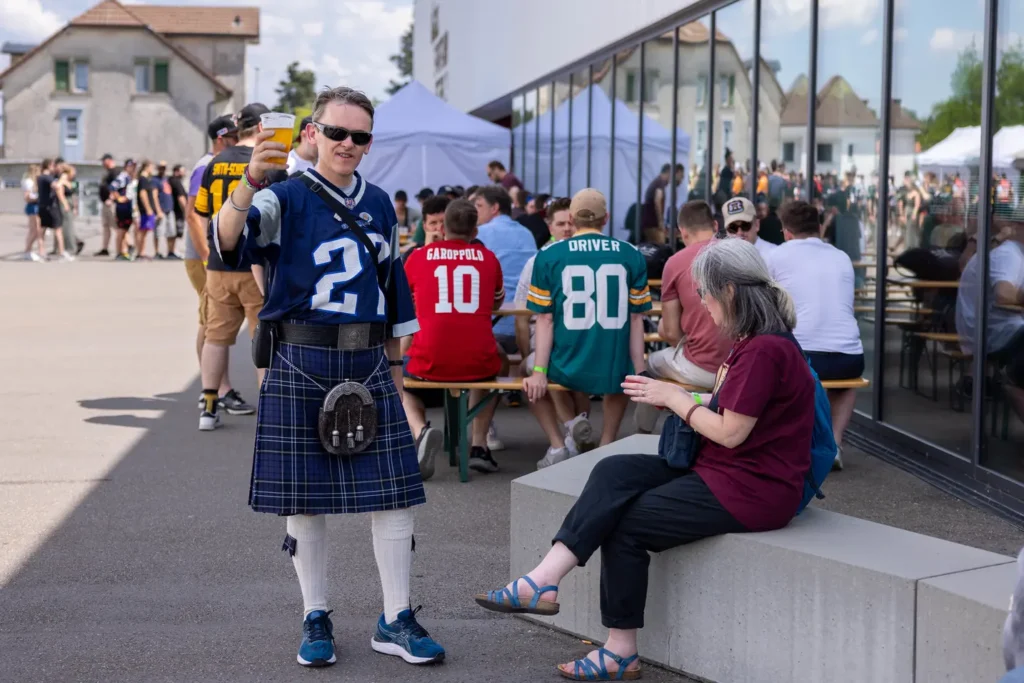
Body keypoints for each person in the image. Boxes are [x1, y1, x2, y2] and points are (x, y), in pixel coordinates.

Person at [474, 237, 814, 680]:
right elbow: (736, 406)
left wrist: (675, 397)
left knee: (627, 523)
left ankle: (620, 651)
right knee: (613, 469)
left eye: (705, 294)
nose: (704, 306)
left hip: (752, 488)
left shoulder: (764, 349)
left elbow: (731, 432)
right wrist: (680, 395)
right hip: (727, 470)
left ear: (729, 291)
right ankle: (542, 579)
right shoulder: (760, 342)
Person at [212, 85, 445, 668]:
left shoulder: (382, 204)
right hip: (299, 356)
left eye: (359, 136)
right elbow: (228, 241)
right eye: (336, 132)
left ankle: (396, 618)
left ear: (368, 143)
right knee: (305, 498)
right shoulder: (282, 196)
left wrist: (395, 369)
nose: (346, 143)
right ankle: (315, 613)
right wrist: (247, 182)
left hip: (367, 358)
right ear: (311, 132)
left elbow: (393, 290)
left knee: (394, 495)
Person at [523, 188, 650, 459]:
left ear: (571, 218)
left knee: (533, 372)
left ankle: (561, 441)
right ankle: (606, 444)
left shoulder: (548, 255)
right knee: (623, 374)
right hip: (612, 361)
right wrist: (639, 369)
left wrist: (540, 370)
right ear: (606, 218)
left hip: (566, 362)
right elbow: (636, 317)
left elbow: (544, 318)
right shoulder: (630, 253)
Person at [402, 198, 507, 477]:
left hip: (429, 360)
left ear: (442, 227)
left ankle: (421, 430)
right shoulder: (488, 258)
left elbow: (401, 300)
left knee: (398, 376)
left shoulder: (419, 257)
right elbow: (497, 302)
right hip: (478, 362)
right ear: (475, 232)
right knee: (500, 362)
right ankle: (479, 443)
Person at [193, 104, 281, 430]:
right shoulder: (266, 165)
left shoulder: (215, 162)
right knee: (263, 337)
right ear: (261, 128)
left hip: (218, 263)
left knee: (216, 336)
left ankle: (208, 407)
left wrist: (209, 251)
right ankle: (270, 410)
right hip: (254, 264)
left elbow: (202, 212)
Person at [767, 200, 864, 469]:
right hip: (849, 355)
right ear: (820, 228)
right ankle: (833, 443)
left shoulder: (776, 256)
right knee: (844, 384)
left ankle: (792, 445)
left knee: (775, 366)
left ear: (786, 231)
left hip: (802, 354)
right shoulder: (841, 256)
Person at [634, 201, 731, 434]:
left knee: (650, 365)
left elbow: (671, 331)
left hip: (702, 367)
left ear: (681, 232)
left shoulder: (675, 263)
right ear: (716, 225)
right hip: (741, 365)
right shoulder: (738, 254)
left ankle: (642, 432)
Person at [514, 196, 595, 465]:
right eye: (561, 224)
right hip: (573, 348)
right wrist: (528, 353)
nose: (567, 229)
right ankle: (574, 430)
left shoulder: (540, 260)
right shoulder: (539, 261)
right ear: (549, 226)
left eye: (571, 223)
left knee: (540, 373)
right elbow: (521, 317)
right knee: (552, 370)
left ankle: (561, 444)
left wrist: (529, 357)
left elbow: (522, 316)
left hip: (572, 347)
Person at [185, 115, 239, 412]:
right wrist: (207, 257)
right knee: (211, 321)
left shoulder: (220, 163)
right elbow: (193, 214)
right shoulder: (206, 165)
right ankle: (216, 389)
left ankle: (221, 386)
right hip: (203, 257)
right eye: (233, 135)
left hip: (212, 256)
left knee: (219, 321)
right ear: (222, 138)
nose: (238, 139)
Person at [955, 219, 1024, 424]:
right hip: (997, 334)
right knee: (1014, 381)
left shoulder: (1012, 253)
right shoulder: (1009, 255)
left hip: (993, 331)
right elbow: (1004, 295)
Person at [474, 186, 536, 356]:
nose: (475, 211)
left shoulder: (480, 234)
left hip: (492, 325)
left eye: (479, 206)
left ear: (494, 208)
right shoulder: (527, 234)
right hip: (526, 324)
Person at [37, 159, 73, 261]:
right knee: (58, 230)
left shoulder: (39, 177)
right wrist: (62, 180)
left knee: (42, 230)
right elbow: (57, 186)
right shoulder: (47, 177)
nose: (54, 167)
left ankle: (41, 252)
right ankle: (61, 253)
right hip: (51, 207)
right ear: (48, 166)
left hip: (42, 206)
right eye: (53, 165)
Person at [640, 163, 684, 237]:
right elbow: (658, 200)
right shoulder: (660, 183)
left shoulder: (657, 182)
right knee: (660, 243)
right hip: (652, 223)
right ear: (668, 173)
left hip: (649, 222)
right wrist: (660, 222)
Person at [109, 160, 137, 260]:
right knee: (121, 230)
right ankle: (119, 252)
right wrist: (119, 198)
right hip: (122, 207)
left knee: (125, 230)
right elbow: (112, 187)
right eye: (131, 166)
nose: (133, 168)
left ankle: (124, 250)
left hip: (129, 206)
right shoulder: (123, 177)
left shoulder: (130, 178)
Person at [133, 160, 160, 260]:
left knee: (144, 232)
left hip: (146, 210)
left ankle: (141, 252)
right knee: (142, 231)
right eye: (151, 167)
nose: (152, 169)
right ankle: (140, 253)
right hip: (144, 210)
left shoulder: (145, 179)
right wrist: (148, 208)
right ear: (146, 167)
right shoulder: (143, 179)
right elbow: (143, 194)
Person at [96, 153, 119, 256]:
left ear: (109, 160)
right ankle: (105, 248)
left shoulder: (115, 173)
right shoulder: (108, 173)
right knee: (106, 226)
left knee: (117, 226)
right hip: (105, 203)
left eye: (104, 161)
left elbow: (117, 187)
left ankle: (128, 245)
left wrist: (112, 198)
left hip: (111, 203)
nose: (102, 163)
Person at [155, 162, 178, 258]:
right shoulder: (155, 180)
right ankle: (157, 252)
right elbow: (154, 196)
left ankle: (170, 252)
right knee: (159, 232)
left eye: (164, 168)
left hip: (169, 209)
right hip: (161, 209)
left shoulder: (167, 180)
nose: (162, 170)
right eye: (161, 168)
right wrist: (158, 210)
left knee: (172, 232)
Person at [21, 164, 43, 262]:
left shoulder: (34, 182)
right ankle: (28, 251)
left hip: (35, 206)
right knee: (35, 230)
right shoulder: (29, 182)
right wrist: (37, 198)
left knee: (36, 231)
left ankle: (30, 250)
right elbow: (27, 197)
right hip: (33, 206)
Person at [168, 164, 188, 261]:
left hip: (176, 211)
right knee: (176, 231)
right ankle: (172, 251)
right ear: (177, 171)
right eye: (182, 170)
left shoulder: (173, 180)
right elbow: (181, 197)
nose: (184, 173)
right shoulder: (176, 181)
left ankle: (172, 251)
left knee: (176, 231)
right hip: (177, 211)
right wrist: (186, 210)